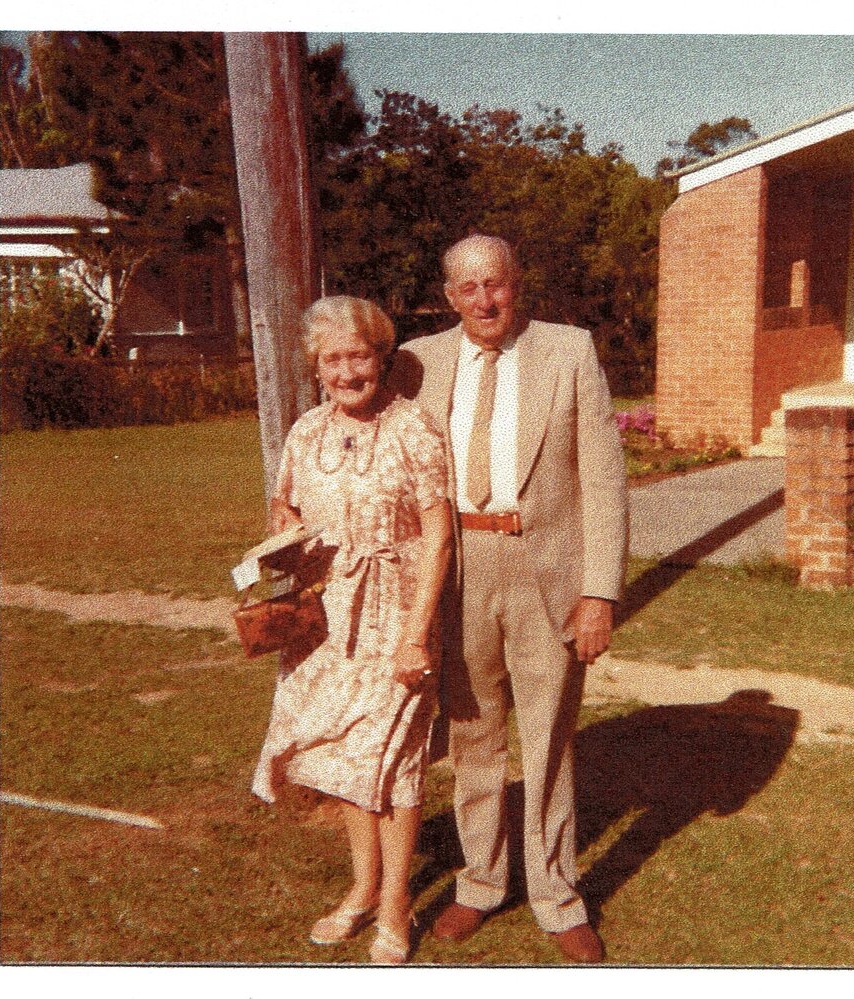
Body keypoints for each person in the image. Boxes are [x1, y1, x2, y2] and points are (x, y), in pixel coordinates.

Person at [401, 234, 628, 963]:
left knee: (549, 736)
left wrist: (599, 592)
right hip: (457, 567)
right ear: (449, 296)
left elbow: (604, 479)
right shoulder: (418, 360)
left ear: (516, 283)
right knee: (472, 733)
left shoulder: (568, 350)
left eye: (496, 284)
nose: (485, 300)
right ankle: (479, 881)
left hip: (546, 569)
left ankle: (558, 894)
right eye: (469, 288)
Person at [251, 295, 453, 965]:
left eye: (358, 355)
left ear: (381, 357)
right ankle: (362, 888)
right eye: (332, 358)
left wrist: (418, 633)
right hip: (326, 616)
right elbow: (285, 505)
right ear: (317, 365)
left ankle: (395, 905)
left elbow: (440, 539)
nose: (346, 370)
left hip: (397, 613)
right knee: (343, 757)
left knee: (391, 759)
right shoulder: (306, 430)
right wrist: (283, 530)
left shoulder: (413, 429)